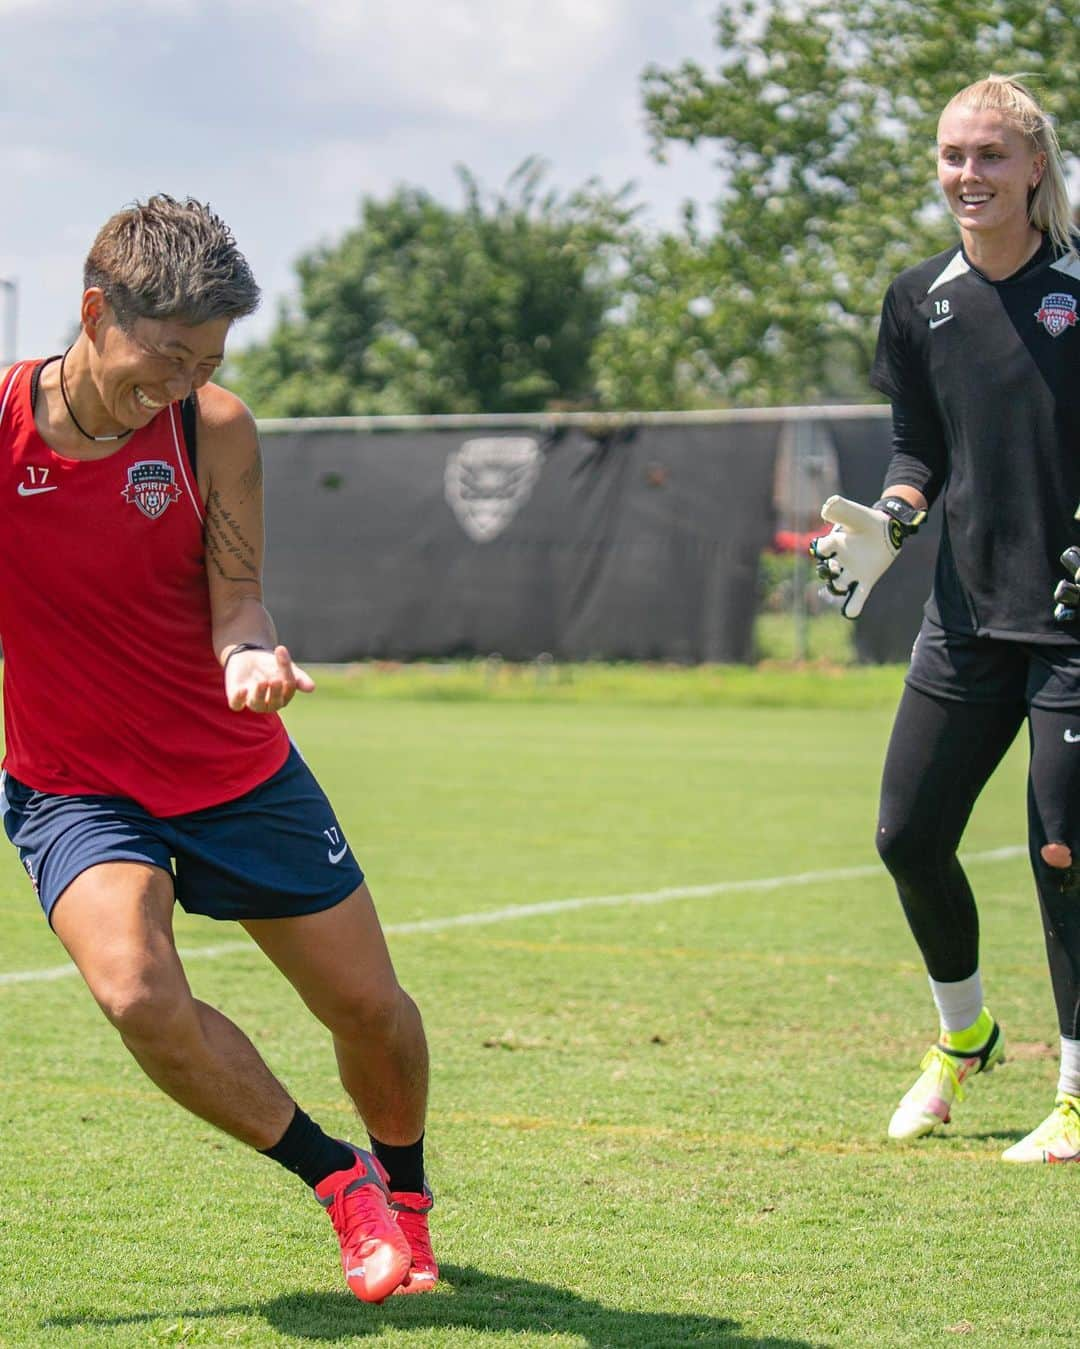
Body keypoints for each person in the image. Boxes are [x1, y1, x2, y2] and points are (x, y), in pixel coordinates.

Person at [0, 196, 439, 1296]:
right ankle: (340, 1184)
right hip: (76, 785)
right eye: (168, 354)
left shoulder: (215, 429)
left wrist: (253, 656)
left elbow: (238, 603)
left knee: (370, 1011)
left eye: (208, 357)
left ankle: (410, 1199)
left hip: (233, 771)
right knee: (138, 992)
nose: (184, 380)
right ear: (96, 312)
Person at [810, 77, 1080, 1163]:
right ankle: (964, 1036)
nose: (967, 176)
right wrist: (890, 517)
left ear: (1034, 170)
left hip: (1071, 624)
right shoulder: (919, 296)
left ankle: (1075, 1091)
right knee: (907, 834)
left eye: (990, 157)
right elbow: (920, 445)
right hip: (968, 616)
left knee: (1062, 850)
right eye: (952, 156)